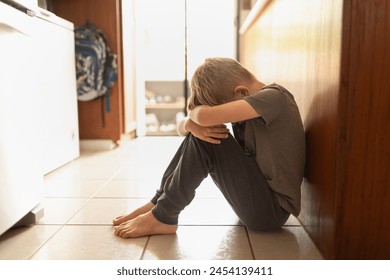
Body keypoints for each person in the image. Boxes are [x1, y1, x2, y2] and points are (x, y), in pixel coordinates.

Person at [113, 57, 305, 238]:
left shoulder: (275, 98)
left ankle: (164, 215)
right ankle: (159, 203)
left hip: (270, 212)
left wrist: (196, 116)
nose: (225, 116)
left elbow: (205, 117)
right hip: (259, 202)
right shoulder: (252, 102)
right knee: (202, 132)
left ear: (242, 92)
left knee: (207, 134)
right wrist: (190, 124)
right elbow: (188, 125)